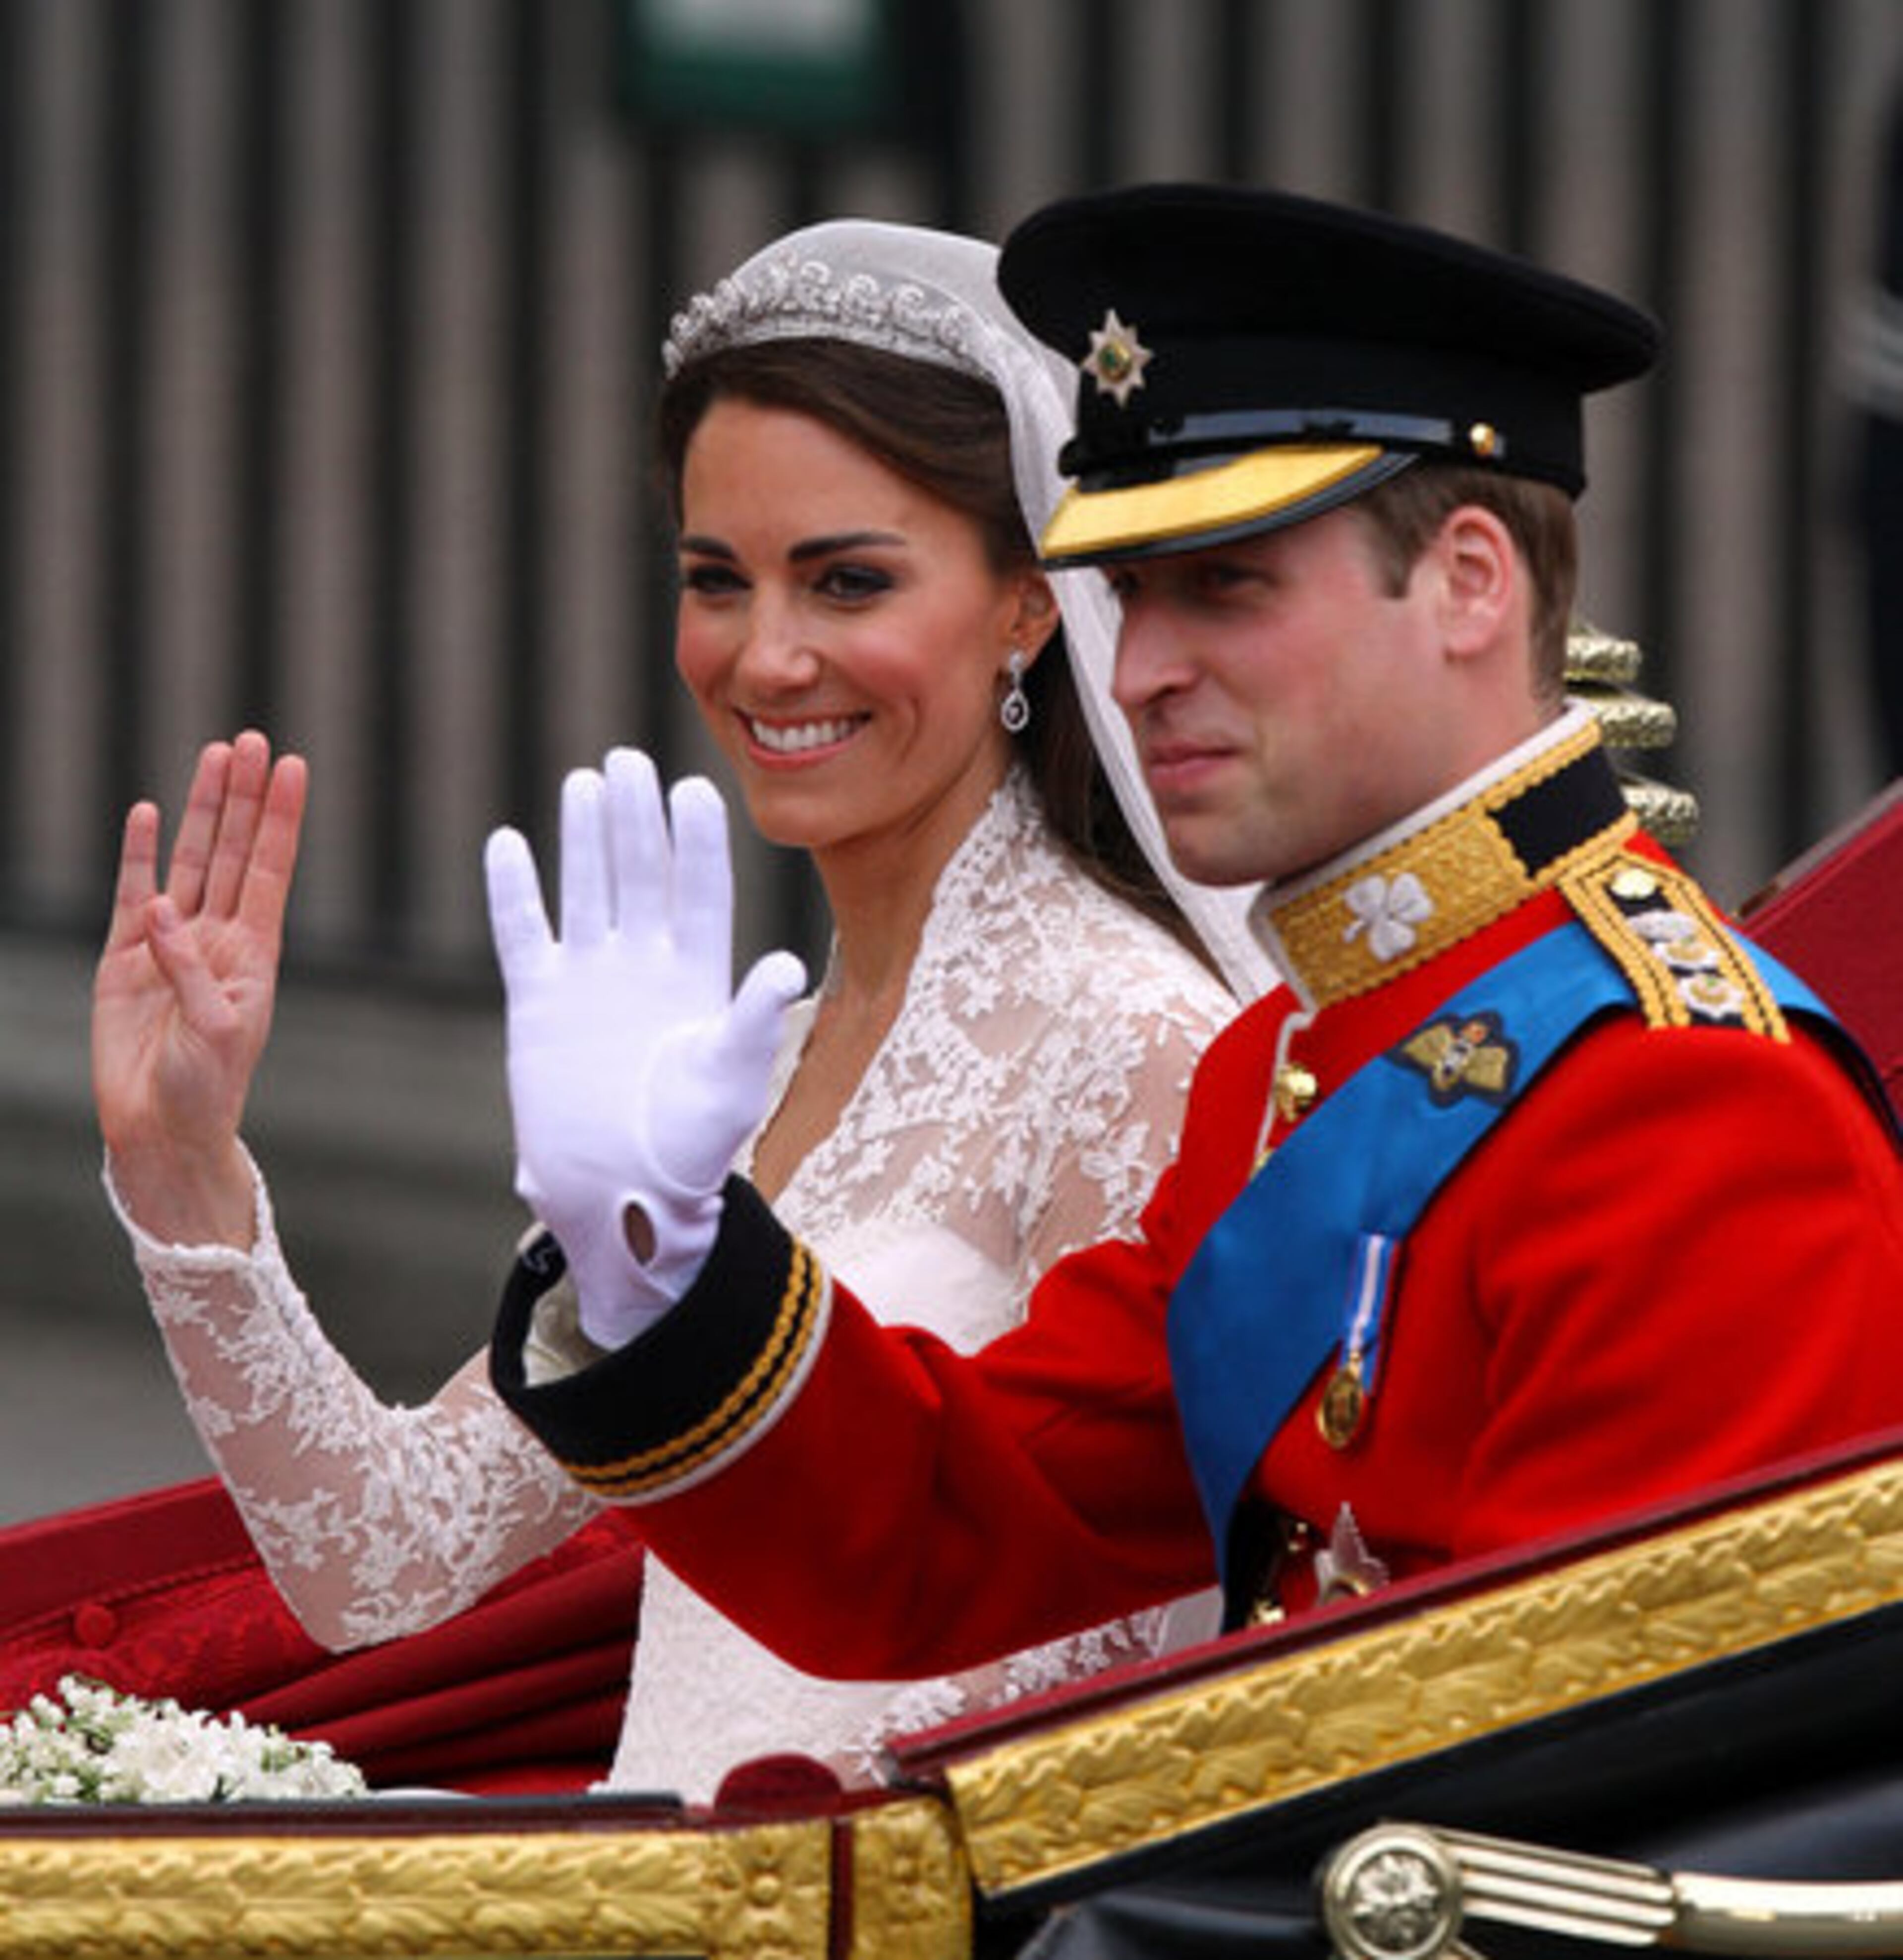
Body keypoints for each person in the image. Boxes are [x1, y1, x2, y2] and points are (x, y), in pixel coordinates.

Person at [486, 183, 1903, 1681]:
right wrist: (664, 1257)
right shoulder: (1280, 1069)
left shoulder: (1681, 1099)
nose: (1147, 668)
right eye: (1132, 595)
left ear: (1471, 583)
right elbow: (955, 1522)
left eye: (1225, 586)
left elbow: (1634, 1754)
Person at [87, 219, 1268, 1801]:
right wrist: (183, 1172)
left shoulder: (1133, 1037)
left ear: (1030, 603)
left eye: (848, 580)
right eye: (719, 581)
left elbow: (1134, 1631)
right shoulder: (755, 1063)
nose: (768, 656)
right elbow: (389, 1557)